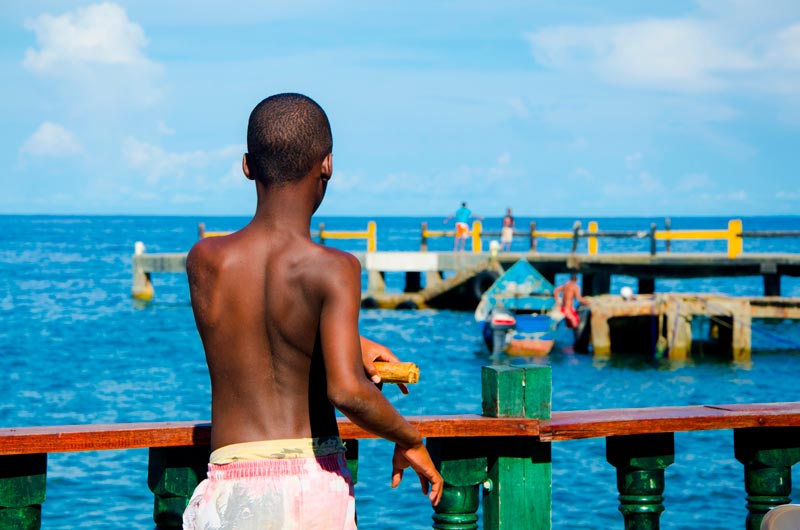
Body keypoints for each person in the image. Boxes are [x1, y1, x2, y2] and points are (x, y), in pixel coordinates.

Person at [183, 93, 442, 530]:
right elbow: (346, 392)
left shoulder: (206, 261)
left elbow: (258, 323)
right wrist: (409, 438)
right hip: (311, 483)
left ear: (247, 166)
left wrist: (353, 344)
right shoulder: (335, 268)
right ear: (328, 165)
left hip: (229, 485)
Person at [554, 273, 590, 343]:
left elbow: (556, 291)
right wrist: (588, 302)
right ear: (576, 280)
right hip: (568, 310)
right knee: (576, 324)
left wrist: (558, 301)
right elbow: (579, 298)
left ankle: (565, 339)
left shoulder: (565, 285)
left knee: (569, 325)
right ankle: (576, 342)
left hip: (563, 308)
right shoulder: (575, 287)